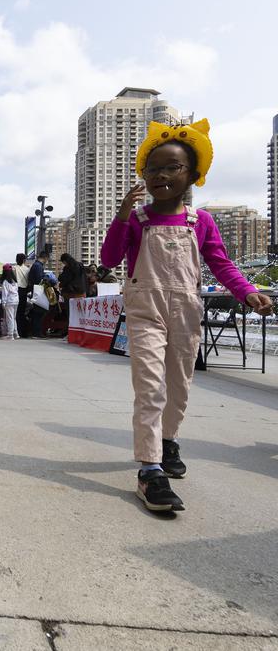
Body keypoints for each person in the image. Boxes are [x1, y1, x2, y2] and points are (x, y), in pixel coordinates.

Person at [101, 118, 273, 513]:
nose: (161, 175)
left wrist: (248, 292)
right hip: (145, 310)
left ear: (193, 175)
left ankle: (168, 440)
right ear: (143, 174)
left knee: (179, 384)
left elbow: (222, 264)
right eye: (153, 168)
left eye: (172, 167)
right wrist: (122, 216)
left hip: (186, 308)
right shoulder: (138, 220)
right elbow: (109, 259)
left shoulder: (201, 222)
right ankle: (149, 470)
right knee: (150, 385)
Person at [26, 251, 49, 338]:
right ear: (45, 258)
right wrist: (47, 277)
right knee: (39, 313)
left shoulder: (35, 265)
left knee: (37, 312)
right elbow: (40, 280)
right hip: (38, 291)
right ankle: (37, 332)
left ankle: (36, 332)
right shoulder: (38, 266)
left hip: (35, 290)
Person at [0, 266, 19, 339]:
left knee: (10, 318)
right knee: (14, 318)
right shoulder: (15, 281)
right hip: (16, 300)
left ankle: (10, 335)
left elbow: (5, 293)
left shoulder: (5, 282)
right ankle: (15, 333)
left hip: (9, 301)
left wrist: (3, 303)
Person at [14, 253, 31, 336]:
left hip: (16, 290)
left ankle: (17, 330)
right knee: (22, 311)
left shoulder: (14, 268)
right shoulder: (27, 269)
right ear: (24, 260)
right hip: (24, 291)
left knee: (16, 311)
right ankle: (23, 331)